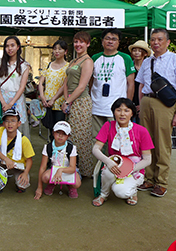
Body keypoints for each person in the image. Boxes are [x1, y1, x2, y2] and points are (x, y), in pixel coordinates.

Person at [135, 29, 176, 197]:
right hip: (147, 102)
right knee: (146, 143)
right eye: (153, 39)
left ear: (168, 42)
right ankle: (149, 178)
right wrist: (140, 104)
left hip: (165, 105)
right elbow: (141, 85)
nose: (155, 42)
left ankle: (161, 181)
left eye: (159, 39)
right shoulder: (146, 61)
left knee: (162, 143)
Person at [92, 98, 154, 206]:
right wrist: (108, 162)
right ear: (114, 112)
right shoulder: (108, 126)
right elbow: (95, 149)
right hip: (114, 164)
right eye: (119, 110)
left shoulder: (141, 130)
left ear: (132, 113)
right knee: (107, 172)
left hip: (135, 169)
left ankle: (133, 192)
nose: (122, 114)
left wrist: (129, 169)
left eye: (126, 110)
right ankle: (103, 194)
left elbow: (148, 159)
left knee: (120, 191)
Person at [91, 28, 135, 144]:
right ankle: (98, 163)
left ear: (118, 42)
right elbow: (91, 82)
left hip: (117, 109)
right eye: (107, 38)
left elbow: (131, 83)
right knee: (96, 140)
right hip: (96, 107)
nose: (110, 41)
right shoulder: (95, 58)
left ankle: (113, 163)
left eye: (114, 39)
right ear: (102, 41)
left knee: (116, 140)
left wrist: (127, 107)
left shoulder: (125, 58)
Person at [61, 31, 94, 177]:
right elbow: (66, 82)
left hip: (81, 103)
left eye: (81, 42)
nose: (78, 45)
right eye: (76, 41)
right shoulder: (73, 61)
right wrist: (66, 99)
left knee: (81, 139)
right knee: (71, 137)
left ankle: (86, 172)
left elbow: (82, 86)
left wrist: (68, 101)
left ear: (87, 44)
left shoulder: (87, 61)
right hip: (70, 101)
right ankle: (72, 168)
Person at [0, 108, 35, 197]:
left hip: (17, 166)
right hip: (4, 162)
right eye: (7, 121)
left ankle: (16, 180)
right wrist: (6, 160)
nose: (9, 124)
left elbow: (29, 160)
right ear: (3, 123)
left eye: (13, 121)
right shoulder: (1, 131)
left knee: (22, 186)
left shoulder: (24, 140)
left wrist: (25, 173)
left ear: (19, 123)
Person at [0, 36, 30, 138]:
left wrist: (10, 103)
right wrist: (4, 103)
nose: (10, 48)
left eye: (12, 45)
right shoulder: (0, 63)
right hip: (2, 98)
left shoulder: (24, 65)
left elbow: (22, 87)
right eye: (7, 46)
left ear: (18, 47)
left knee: (17, 125)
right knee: (2, 126)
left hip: (17, 100)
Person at [34, 121, 81, 200]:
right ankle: (52, 184)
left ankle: (71, 186)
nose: (60, 136)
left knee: (77, 183)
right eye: (58, 132)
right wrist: (39, 187)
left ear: (68, 136)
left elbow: (72, 168)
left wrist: (61, 170)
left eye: (64, 134)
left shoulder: (71, 148)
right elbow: (42, 167)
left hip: (68, 170)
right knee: (45, 177)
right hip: (53, 169)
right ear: (53, 132)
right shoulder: (48, 147)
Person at [38, 39, 69, 139]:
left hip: (60, 105)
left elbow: (64, 85)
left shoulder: (68, 67)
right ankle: (50, 151)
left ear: (65, 51)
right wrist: (42, 97)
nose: (57, 51)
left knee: (60, 131)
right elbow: (40, 83)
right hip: (48, 104)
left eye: (60, 49)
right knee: (50, 130)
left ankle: (59, 152)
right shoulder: (49, 65)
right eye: (55, 49)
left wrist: (53, 99)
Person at [128, 40, 151, 123]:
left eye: (140, 51)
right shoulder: (128, 66)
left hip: (143, 101)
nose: (136, 53)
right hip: (130, 99)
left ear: (145, 53)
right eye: (134, 50)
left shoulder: (148, 67)